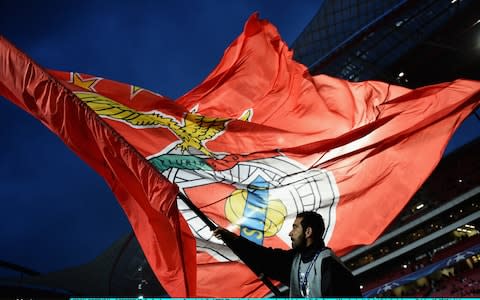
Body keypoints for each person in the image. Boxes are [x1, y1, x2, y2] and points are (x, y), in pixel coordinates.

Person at [213, 211, 362, 297]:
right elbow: (263, 258)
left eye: (295, 228)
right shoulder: (295, 260)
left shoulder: (328, 262)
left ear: (308, 232)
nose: (291, 233)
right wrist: (232, 239)